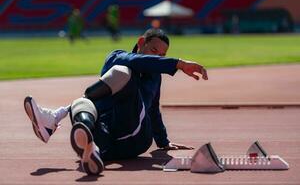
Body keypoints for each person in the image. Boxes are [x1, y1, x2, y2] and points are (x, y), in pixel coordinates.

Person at [23, 28, 208, 175]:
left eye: (162, 55)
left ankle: (55, 117)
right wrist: (179, 64)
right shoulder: (117, 56)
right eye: (154, 51)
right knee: (89, 101)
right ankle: (92, 151)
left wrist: (163, 141)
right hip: (110, 138)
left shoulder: (155, 77)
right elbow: (136, 62)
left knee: (89, 97)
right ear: (141, 42)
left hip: (137, 137)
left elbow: (153, 109)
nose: (157, 58)